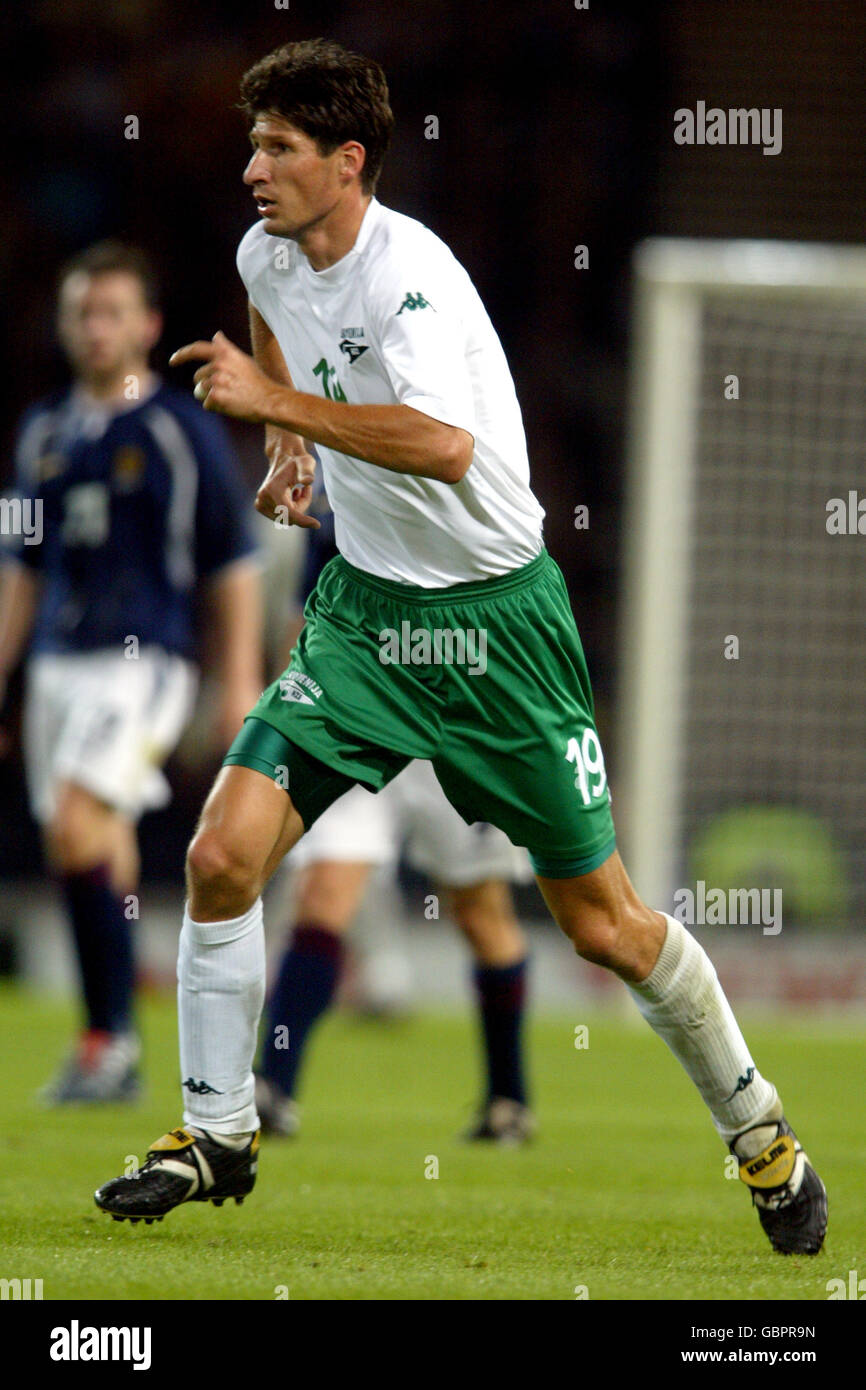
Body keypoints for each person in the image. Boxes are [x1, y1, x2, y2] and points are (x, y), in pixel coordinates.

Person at [94, 40, 826, 1255]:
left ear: (348, 161)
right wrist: (294, 451)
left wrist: (276, 410)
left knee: (601, 925)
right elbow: (276, 331)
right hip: (366, 621)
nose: (252, 167)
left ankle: (757, 1129)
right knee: (221, 855)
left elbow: (439, 446)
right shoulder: (263, 252)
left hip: (497, 630)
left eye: (278, 147)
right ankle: (214, 1129)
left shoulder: (411, 275)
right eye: (253, 141)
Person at [0, 241, 262, 1103]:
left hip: (142, 661)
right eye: (82, 310)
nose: (95, 326)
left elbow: (233, 564)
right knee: (85, 844)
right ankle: (111, 1049)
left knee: (78, 824)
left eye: (113, 310)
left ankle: (107, 1038)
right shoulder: (41, 431)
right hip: (54, 667)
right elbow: (20, 570)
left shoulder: (179, 430)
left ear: (147, 325)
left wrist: (239, 685)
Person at [257, 479, 535, 1145]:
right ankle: (274, 1090)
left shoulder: (472, 474)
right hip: (360, 719)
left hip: (455, 727)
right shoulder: (337, 490)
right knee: (325, 891)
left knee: (480, 912)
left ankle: (509, 1100)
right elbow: (308, 612)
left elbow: (514, 608)